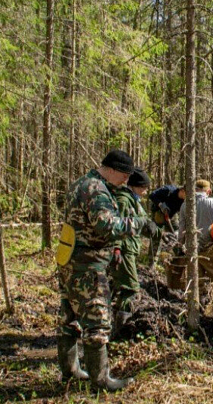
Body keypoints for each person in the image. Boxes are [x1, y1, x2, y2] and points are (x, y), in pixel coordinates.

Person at [56, 150, 147, 391]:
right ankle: (100, 380)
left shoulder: (81, 183)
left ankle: (71, 370)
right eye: (125, 175)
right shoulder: (96, 190)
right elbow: (107, 225)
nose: (126, 181)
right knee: (97, 321)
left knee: (69, 318)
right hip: (88, 267)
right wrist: (136, 223)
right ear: (113, 170)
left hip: (70, 261)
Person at [109, 168, 161, 339]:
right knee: (131, 289)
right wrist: (116, 248)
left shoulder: (133, 200)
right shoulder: (124, 200)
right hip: (123, 250)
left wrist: (159, 233)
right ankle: (120, 333)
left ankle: (114, 328)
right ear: (135, 186)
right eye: (143, 187)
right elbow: (117, 226)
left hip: (129, 249)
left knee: (122, 290)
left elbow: (140, 224)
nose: (145, 192)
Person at [147, 184, 186, 267]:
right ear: (182, 191)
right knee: (156, 236)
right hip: (158, 214)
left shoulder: (184, 201)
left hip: (171, 216)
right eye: (187, 194)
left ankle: (179, 260)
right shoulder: (168, 190)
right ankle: (152, 264)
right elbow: (152, 195)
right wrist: (161, 205)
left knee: (176, 236)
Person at [178, 179, 213, 248]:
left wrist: (180, 244)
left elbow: (182, 227)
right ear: (208, 191)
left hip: (192, 247)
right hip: (211, 247)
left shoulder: (184, 205)